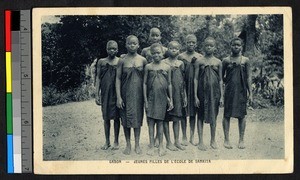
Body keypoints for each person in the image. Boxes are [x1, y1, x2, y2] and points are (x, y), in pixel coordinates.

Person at [116, 35, 147, 155]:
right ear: (126, 45)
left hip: (138, 94)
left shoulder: (143, 60)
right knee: (125, 118)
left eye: (134, 43)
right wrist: (118, 97)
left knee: (137, 119)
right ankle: (128, 144)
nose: (132, 45)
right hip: (125, 93)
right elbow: (118, 79)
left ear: (138, 45)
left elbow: (146, 80)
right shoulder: (122, 60)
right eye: (129, 43)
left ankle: (137, 144)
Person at [222, 37, 253, 149]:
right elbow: (221, 79)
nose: (236, 47)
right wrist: (221, 94)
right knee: (227, 115)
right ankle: (226, 140)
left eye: (238, 45)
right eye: (234, 45)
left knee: (242, 115)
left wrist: (251, 93)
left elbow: (249, 77)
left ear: (241, 46)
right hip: (229, 91)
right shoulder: (225, 60)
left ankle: (241, 140)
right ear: (230, 46)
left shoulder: (245, 60)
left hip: (241, 91)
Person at [143, 43, 173, 156]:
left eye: (158, 53)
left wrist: (171, 99)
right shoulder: (148, 67)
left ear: (163, 53)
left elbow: (169, 84)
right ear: (151, 54)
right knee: (151, 123)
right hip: (150, 98)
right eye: (154, 53)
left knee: (160, 122)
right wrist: (145, 100)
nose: (156, 55)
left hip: (162, 98)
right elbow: (144, 84)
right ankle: (151, 145)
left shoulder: (167, 67)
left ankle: (161, 145)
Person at [194, 37, 223, 151]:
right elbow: (195, 79)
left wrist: (221, 96)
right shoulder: (199, 61)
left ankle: (213, 140)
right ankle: (201, 141)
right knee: (200, 116)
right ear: (203, 47)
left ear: (214, 47)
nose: (209, 47)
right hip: (201, 92)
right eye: (207, 45)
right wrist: (195, 96)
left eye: (211, 46)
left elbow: (221, 80)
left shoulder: (218, 62)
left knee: (213, 116)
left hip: (214, 93)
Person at [178, 34, 203, 146]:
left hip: (195, 88)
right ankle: (184, 136)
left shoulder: (200, 57)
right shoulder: (180, 56)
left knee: (193, 113)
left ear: (196, 43)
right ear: (185, 43)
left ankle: (192, 136)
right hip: (183, 86)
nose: (191, 44)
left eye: (193, 42)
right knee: (183, 112)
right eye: (189, 42)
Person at [95, 40, 120, 150]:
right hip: (105, 93)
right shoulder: (101, 61)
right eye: (110, 48)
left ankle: (116, 141)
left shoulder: (120, 61)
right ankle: (107, 141)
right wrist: (97, 94)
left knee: (116, 118)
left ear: (117, 50)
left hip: (116, 93)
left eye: (114, 48)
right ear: (106, 49)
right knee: (106, 118)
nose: (112, 50)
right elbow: (98, 78)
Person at [162, 41, 187, 151]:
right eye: (171, 48)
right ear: (167, 49)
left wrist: (184, 95)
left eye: (176, 48)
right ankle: (168, 142)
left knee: (177, 118)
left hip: (178, 94)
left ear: (179, 50)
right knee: (165, 118)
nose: (173, 50)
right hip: (165, 93)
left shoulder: (181, 63)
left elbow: (183, 81)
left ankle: (177, 141)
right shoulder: (163, 63)